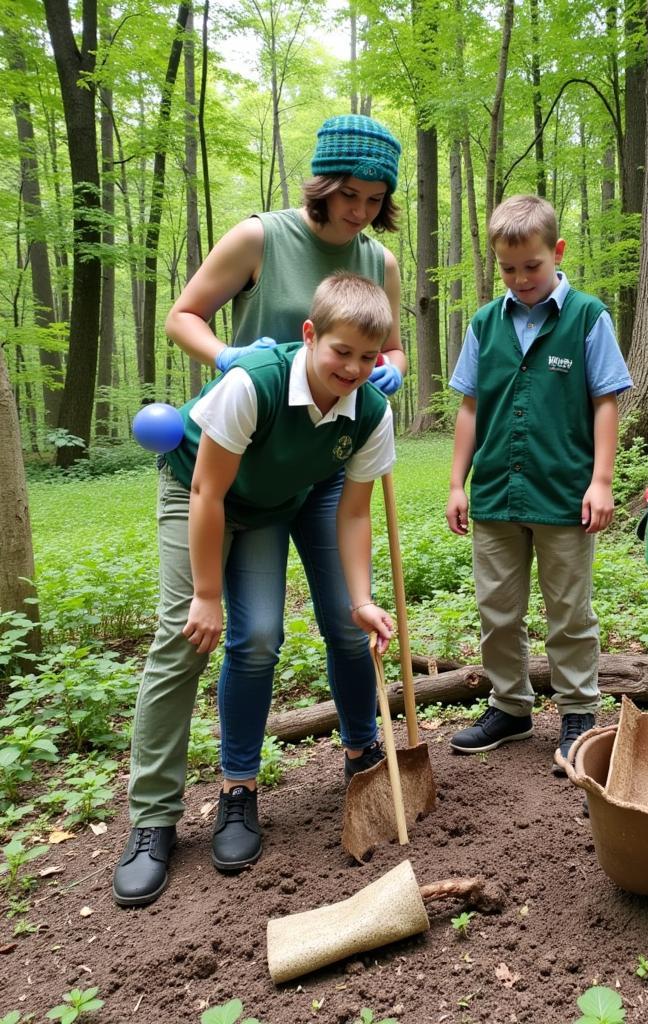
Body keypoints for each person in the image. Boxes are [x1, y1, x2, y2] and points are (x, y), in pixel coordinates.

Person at [114, 273, 396, 908]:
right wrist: (206, 594)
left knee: (263, 636)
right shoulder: (254, 383)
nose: (352, 367)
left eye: (367, 357)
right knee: (184, 638)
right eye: (339, 351)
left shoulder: (371, 412)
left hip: (269, 503)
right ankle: (155, 818)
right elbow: (207, 493)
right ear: (309, 335)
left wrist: (360, 598)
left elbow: (353, 514)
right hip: (198, 490)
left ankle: (244, 790)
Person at [161, 116, 403, 828]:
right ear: (323, 184)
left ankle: (365, 754)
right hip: (256, 446)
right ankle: (238, 788)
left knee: (348, 620)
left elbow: (389, 351)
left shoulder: (378, 261)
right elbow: (184, 315)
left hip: (327, 459)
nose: (359, 210)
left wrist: (385, 376)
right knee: (257, 634)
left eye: (374, 198)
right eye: (349, 194)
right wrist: (226, 358)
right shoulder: (259, 237)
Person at [445, 194, 632, 772]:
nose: (522, 278)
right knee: (496, 608)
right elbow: (471, 408)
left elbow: (606, 402)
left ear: (557, 252)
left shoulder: (586, 316)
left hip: (563, 495)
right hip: (497, 492)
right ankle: (510, 705)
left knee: (569, 611)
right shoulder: (484, 323)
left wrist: (602, 481)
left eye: (532, 265)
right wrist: (458, 483)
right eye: (508, 268)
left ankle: (577, 710)